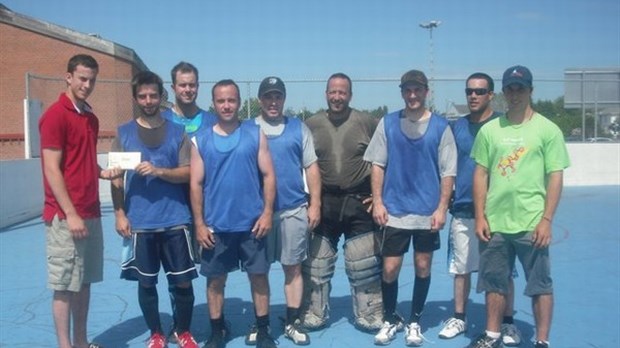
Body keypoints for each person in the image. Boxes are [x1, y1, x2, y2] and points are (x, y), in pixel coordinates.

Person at [467, 66, 570, 348]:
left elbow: (556, 176)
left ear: (531, 90)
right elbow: (480, 174)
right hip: (495, 222)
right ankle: (491, 334)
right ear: (503, 92)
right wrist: (480, 216)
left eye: (520, 88)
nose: (515, 94)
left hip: (532, 223)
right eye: (510, 88)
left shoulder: (548, 130)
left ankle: (542, 340)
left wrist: (547, 219)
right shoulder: (490, 130)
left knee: (540, 285)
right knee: (493, 283)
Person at [364, 69, 456, 346]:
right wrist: (378, 201)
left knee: (423, 266)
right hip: (395, 211)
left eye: (417, 90)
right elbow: (377, 164)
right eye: (408, 90)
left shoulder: (441, 127)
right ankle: (390, 319)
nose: (412, 95)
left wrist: (441, 209)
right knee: (390, 269)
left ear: (426, 91)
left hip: (427, 213)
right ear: (402, 92)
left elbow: (447, 172)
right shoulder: (388, 123)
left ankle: (414, 321)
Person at [110, 71, 199, 348]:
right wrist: (120, 213)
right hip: (141, 223)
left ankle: (182, 331)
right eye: (142, 96)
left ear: (162, 97)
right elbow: (116, 177)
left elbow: (188, 173)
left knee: (183, 283)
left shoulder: (178, 132)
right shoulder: (123, 133)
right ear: (136, 99)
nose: (148, 100)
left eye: (153, 95)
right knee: (146, 284)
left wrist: (159, 171)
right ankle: (156, 333)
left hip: (175, 220)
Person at [39, 54, 120, 348]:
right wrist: (70, 214)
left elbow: (81, 161)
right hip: (65, 216)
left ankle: (82, 343)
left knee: (83, 282)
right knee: (64, 286)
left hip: (91, 213)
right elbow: (52, 168)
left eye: (92, 80)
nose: (87, 85)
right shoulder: (54, 115)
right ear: (69, 77)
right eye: (82, 78)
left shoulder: (90, 117)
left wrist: (105, 173)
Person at [189, 79, 277, 348]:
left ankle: (263, 330)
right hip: (217, 226)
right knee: (215, 281)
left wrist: (267, 213)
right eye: (221, 100)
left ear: (239, 102)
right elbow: (196, 184)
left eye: (231, 100)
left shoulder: (255, 133)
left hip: (252, 225)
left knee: (259, 278)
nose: (226, 105)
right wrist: (200, 224)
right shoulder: (200, 140)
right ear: (213, 103)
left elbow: (269, 175)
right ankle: (217, 332)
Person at [438, 73, 522, 346]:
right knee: (460, 268)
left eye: (479, 91)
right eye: (469, 91)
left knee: (503, 272)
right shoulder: (455, 128)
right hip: (463, 208)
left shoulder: (503, 125)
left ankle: (507, 324)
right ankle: (459, 317)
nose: (473, 96)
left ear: (491, 95)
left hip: (498, 212)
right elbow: (446, 167)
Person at [302, 73, 383, 332]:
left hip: (360, 199)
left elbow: (385, 159)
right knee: (317, 262)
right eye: (332, 92)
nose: (337, 97)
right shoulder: (311, 124)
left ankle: (369, 312)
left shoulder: (367, 122)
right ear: (326, 94)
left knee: (363, 262)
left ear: (350, 95)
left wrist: (381, 196)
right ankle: (314, 311)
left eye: (342, 92)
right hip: (324, 200)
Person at [245, 76, 321, 346]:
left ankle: (291, 321)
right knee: (258, 271)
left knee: (293, 268)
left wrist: (315, 204)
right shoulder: (248, 129)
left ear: (284, 99)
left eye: (278, 96)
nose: (273, 101)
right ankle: (262, 322)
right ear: (260, 100)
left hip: (293, 210)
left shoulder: (298, 128)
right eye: (268, 96)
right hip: (258, 215)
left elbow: (311, 167)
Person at [161, 61, 217, 343]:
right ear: (173, 88)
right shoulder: (161, 121)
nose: (187, 89)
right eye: (182, 84)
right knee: (178, 273)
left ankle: (216, 321)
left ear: (198, 86)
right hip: (172, 209)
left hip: (208, 208)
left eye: (192, 84)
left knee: (212, 267)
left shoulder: (211, 121)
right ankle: (181, 325)